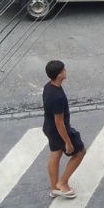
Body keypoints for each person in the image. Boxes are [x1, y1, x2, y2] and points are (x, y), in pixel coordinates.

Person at [42, 60, 86, 199]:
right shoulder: (58, 97)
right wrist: (68, 142)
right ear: (59, 75)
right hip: (59, 131)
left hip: (49, 128)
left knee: (55, 154)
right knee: (80, 152)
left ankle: (54, 188)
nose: (66, 71)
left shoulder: (48, 87)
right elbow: (59, 122)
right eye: (63, 70)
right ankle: (62, 183)